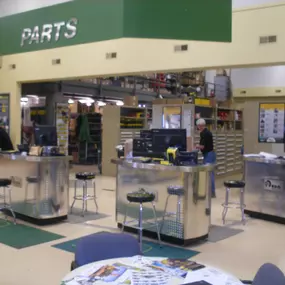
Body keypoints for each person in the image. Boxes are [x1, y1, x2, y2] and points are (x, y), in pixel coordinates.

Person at [196, 118, 216, 198]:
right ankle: (211, 192)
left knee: (209, 174)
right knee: (210, 174)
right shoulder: (208, 132)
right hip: (211, 154)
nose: (197, 127)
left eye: (198, 126)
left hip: (209, 155)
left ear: (200, 126)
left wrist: (196, 146)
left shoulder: (204, 133)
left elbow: (203, 146)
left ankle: (211, 193)